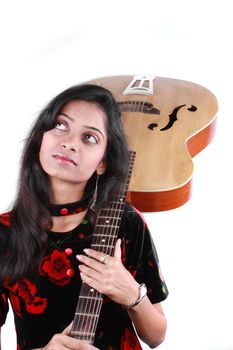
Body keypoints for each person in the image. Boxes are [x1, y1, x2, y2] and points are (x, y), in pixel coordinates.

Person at [0, 84, 168, 350]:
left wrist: (131, 294)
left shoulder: (125, 221)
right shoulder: (4, 232)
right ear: (40, 138)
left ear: (103, 163)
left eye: (89, 138)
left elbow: (156, 335)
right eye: (60, 126)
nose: (69, 143)